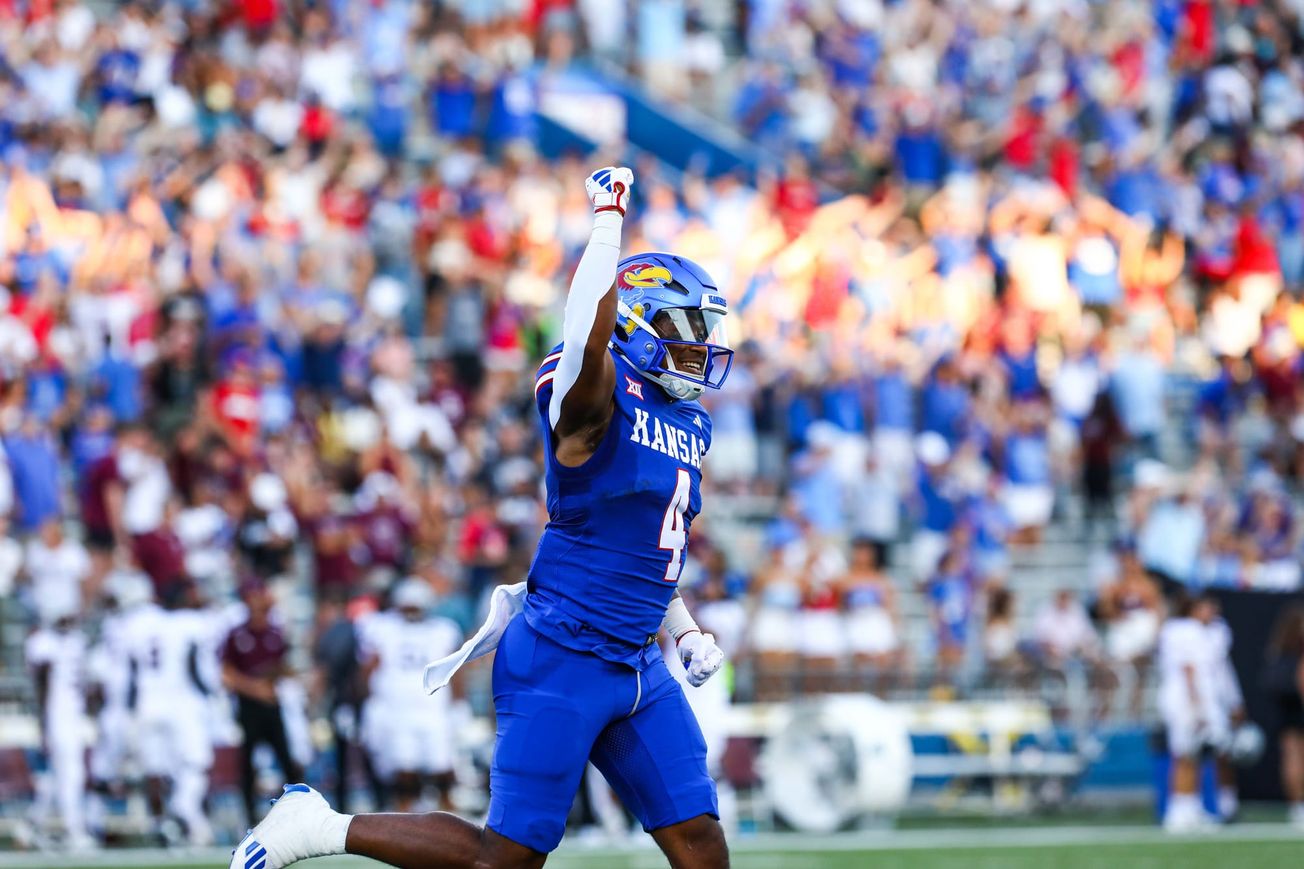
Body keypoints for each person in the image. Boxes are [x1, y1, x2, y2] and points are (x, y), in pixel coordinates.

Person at [230, 167, 731, 869]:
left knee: (701, 843)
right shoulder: (594, 396)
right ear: (635, 326)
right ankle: (319, 823)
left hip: (639, 660)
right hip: (564, 650)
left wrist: (684, 629)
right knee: (504, 860)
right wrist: (607, 221)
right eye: (686, 329)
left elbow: (643, 550)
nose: (702, 346)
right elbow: (586, 334)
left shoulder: (686, 422)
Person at [358, 579, 464, 812]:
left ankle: (447, 812)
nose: (411, 612)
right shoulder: (382, 627)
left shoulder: (442, 630)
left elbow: (456, 670)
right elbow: (369, 668)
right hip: (398, 708)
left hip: (433, 706)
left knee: (442, 763)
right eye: (408, 607)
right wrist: (368, 701)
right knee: (403, 765)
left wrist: (458, 703)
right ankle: (404, 812)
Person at [222, 579, 304, 828]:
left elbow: (282, 666)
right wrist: (255, 688)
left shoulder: (275, 633)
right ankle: (248, 817)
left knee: (287, 760)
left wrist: (281, 676)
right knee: (248, 764)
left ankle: (297, 812)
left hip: (272, 703)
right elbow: (227, 673)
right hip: (249, 706)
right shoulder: (237, 635)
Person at [26, 600, 93, 850]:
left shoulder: (77, 640)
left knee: (60, 775)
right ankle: (73, 829)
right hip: (57, 715)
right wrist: (43, 724)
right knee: (71, 774)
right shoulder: (43, 642)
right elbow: (42, 685)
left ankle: (33, 823)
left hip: (74, 714)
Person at [1156, 592, 1226, 832]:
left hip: (1184, 698)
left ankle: (1190, 806)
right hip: (1186, 700)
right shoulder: (1187, 631)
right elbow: (1189, 669)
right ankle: (1179, 809)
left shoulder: (1180, 630)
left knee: (1194, 756)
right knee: (1184, 754)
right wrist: (1198, 706)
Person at [1264, 607, 1304, 827]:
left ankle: (1297, 806)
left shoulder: (1277, 650)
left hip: (1285, 710)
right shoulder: (1297, 653)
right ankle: (1299, 806)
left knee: (1291, 756)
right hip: (1296, 710)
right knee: (1296, 758)